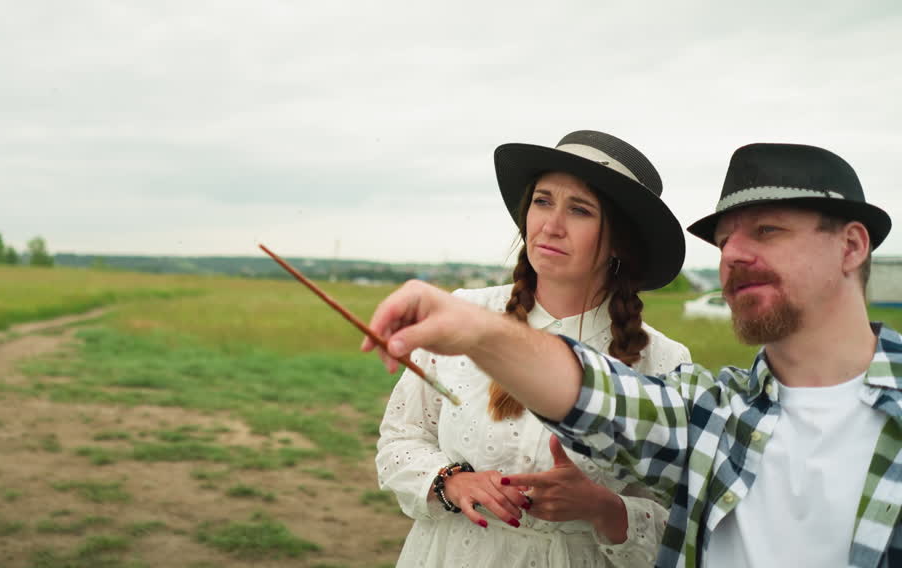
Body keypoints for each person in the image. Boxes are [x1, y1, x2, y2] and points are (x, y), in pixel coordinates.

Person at [364, 143, 900, 568]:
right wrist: (475, 327)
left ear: (852, 247)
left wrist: (603, 509)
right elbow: (596, 395)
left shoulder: (676, 377)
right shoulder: (714, 414)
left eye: (767, 230)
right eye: (724, 241)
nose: (733, 254)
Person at [376, 130, 692, 567]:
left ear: (621, 239)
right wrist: (451, 482)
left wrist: (602, 507)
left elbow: (678, 525)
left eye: (580, 210)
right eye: (543, 201)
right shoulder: (463, 316)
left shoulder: (664, 361)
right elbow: (401, 439)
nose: (551, 225)